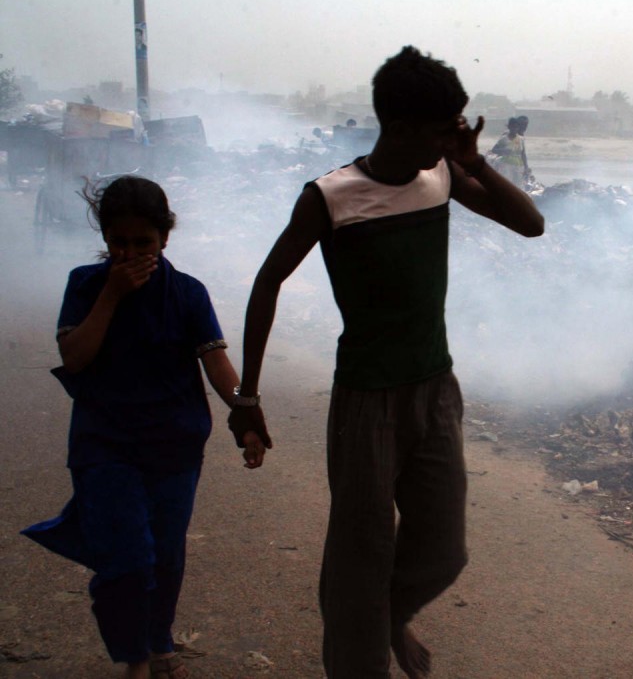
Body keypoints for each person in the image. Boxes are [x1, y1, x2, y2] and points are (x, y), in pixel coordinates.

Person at [227, 46, 544, 679]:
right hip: (367, 401)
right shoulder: (332, 197)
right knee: (359, 558)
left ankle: (392, 616)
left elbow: (530, 223)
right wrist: (247, 396)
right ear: (398, 127)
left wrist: (473, 159)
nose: (454, 137)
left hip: (435, 386)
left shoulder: (443, 177)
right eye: (443, 128)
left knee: (443, 550)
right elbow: (267, 283)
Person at [21, 176, 265, 679]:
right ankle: (134, 657)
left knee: (166, 555)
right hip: (104, 442)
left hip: (174, 443)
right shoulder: (86, 285)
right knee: (126, 555)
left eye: (142, 243)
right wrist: (110, 295)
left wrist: (245, 415)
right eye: (118, 243)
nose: (129, 253)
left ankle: (157, 640)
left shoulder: (187, 293)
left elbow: (214, 359)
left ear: (165, 238)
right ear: (106, 239)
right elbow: (75, 356)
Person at [488, 115, 531, 189]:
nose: (525, 127)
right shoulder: (506, 135)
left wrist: (526, 167)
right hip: (504, 164)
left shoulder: (520, 137)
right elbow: (495, 150)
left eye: (526, 125)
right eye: (523, 125)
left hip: (516, 165)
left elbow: (523, 153)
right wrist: (504, 152)